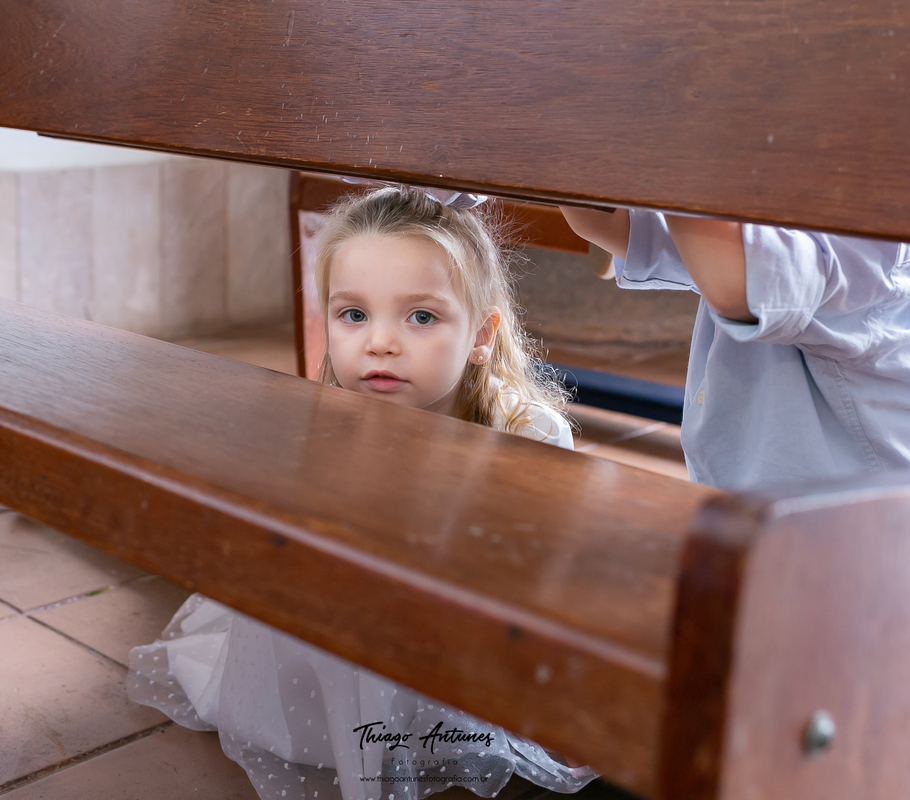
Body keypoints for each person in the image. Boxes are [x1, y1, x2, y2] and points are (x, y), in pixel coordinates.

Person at [129, 186, 592, 800]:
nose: (380, 343)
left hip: (468, 643)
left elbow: (548, 584)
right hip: (339, 656)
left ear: (482, 335)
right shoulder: (317, 436)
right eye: (354, 315)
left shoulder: (527, 435)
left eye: (420, 317)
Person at [559, 207, 910, 489]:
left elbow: (732, 282)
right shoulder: (759, 209)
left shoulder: (867, 222)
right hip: (802, 521)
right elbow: (612, 225)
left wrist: (675, 117)